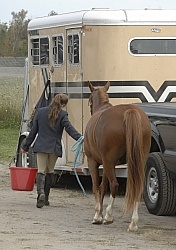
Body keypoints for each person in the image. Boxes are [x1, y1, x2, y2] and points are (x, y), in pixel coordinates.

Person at [22, 93, 82, 208]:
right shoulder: (63, 115)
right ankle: (46, 199)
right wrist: (79, 138)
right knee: (50, 171)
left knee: (41, 170)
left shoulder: (40, 112)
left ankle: (41, 193)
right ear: (63, 104)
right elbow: (69, 128)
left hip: (41, 146)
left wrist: (25, 146)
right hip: (54, 147)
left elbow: (33, 131)